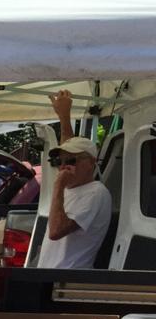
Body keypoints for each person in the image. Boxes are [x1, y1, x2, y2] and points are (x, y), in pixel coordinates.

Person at [35, 92, 112, 268]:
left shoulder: (96, 193)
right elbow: (68, 144)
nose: (63, 167)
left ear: (91, 163)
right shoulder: (75, 184)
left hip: (67, 279)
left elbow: (56, 231)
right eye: (59, 162)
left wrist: (58, 186)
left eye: (71, 161)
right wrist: (64, 116)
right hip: (52, 275)